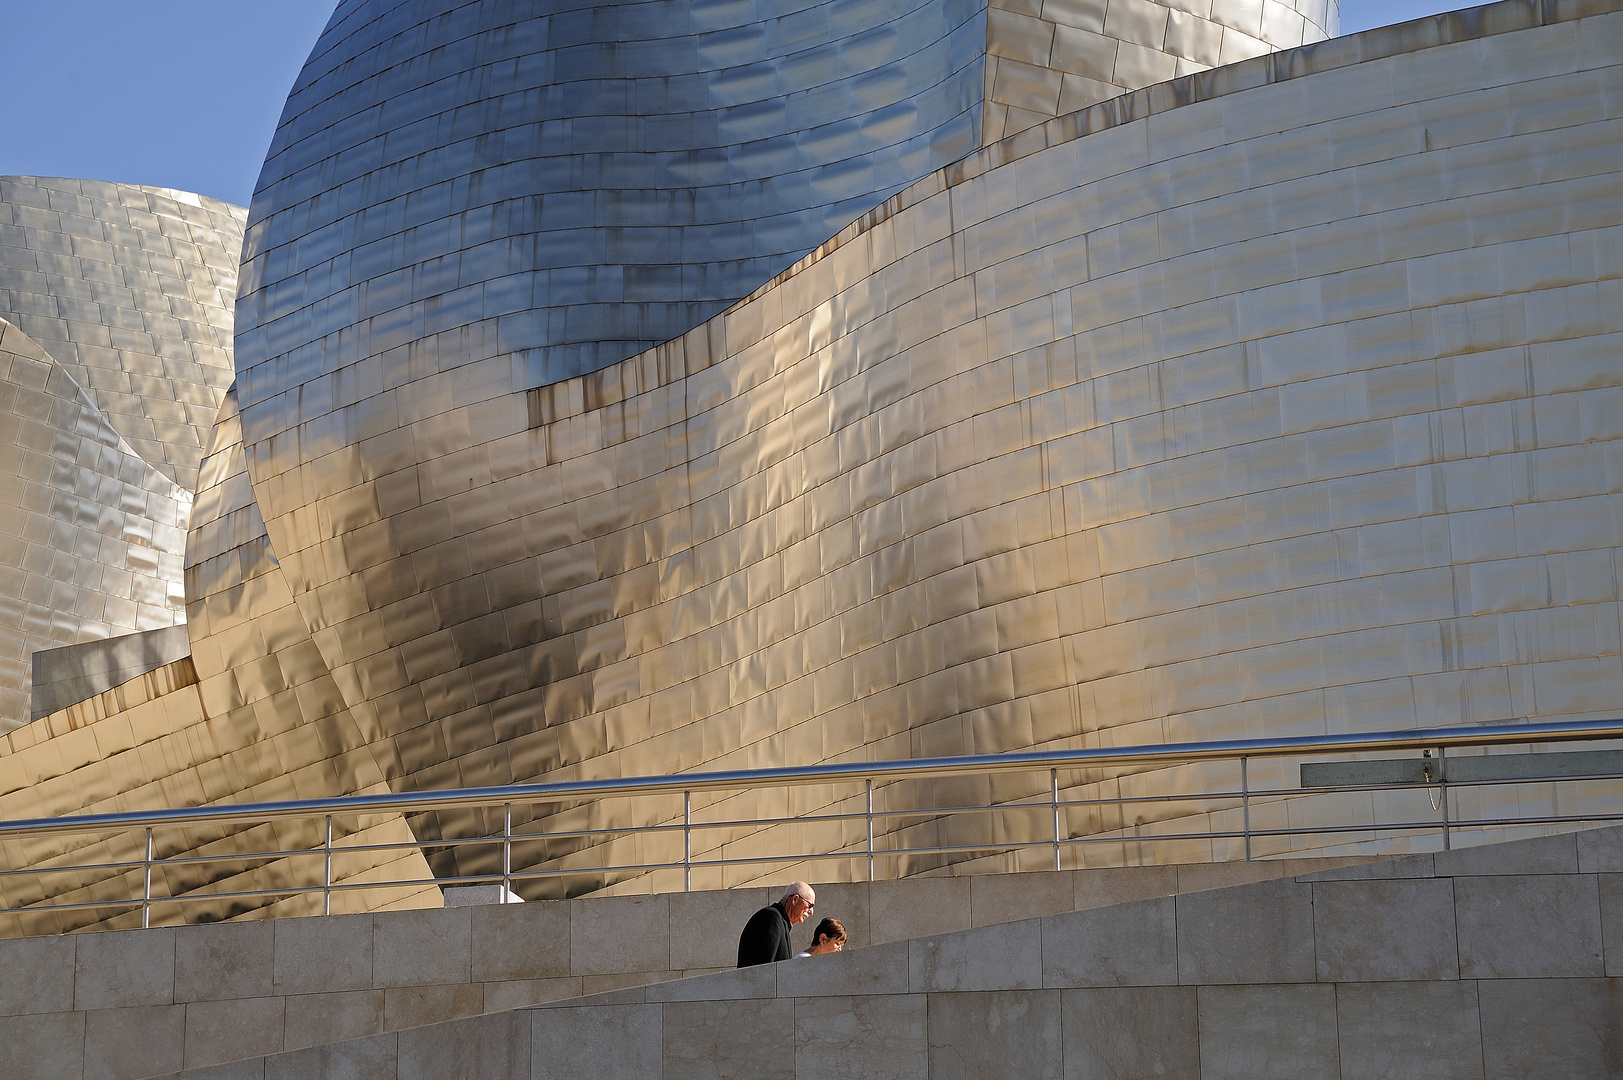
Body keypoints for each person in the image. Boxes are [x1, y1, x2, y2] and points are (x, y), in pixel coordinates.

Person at [736, 881, 815, 966]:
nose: (811, 912)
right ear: (795, 899)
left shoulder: (779, 921)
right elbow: (764, 968)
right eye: (810, 905)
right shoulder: (771, 918)